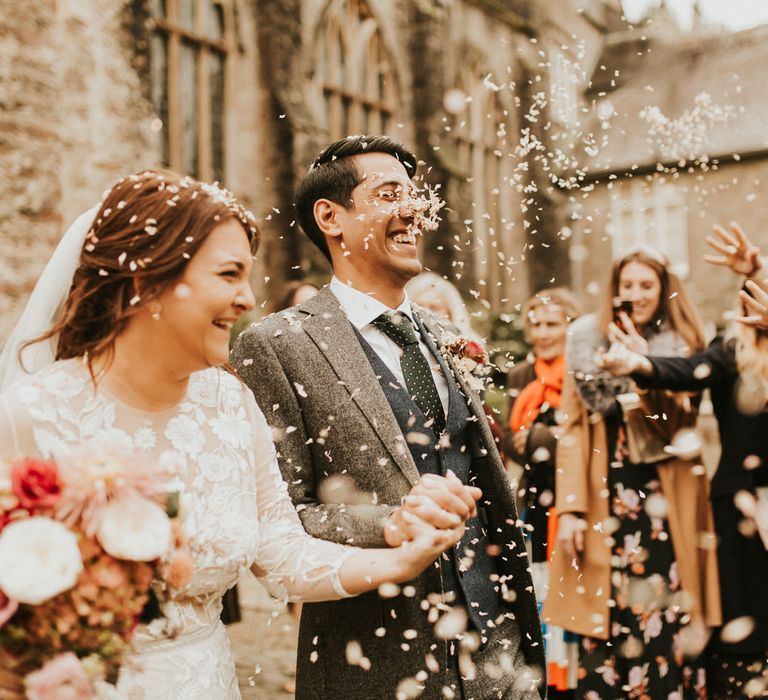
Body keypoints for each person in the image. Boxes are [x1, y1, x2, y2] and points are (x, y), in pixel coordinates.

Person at [0, 169, 471, 699]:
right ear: (146, 282)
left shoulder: (229, 402)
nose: (247, 299)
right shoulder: (26, 416)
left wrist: (399, 557)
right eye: (228, 275)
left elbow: (282, 551)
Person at [231, 135, 545, 699]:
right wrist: (390, 524)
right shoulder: (276, 344)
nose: (415, 210)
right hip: (375, 662)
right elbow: (281, 518)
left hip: (500, 651)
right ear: (331, 217)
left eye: (416, 195)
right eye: (389, 194)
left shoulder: (448, 336)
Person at [543, 245, 722, 699]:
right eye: (628, 286)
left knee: (668, 612)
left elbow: (678, 425)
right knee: (604, 616)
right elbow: (572, 431)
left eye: (647, 285)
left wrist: (646, 368)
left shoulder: (683, 343)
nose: (636, 295)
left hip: (666, 500)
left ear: (664, 290)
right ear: (614, 290)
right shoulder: (586, 339)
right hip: (604, 494)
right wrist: (570, 509)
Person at [598, 222, 768, 698]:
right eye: (753, 291)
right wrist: (642, 364)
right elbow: (689, 373)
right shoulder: (730, 350)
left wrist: (755, 266)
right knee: (743, 623)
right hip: (739, 506)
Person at [506, 288, 582, 699]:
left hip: (575, 496)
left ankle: (576, 678)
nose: (543, 332)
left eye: (552, 323)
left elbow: (585, 439)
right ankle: (550, 678)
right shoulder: (521, 375)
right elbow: (508, 439)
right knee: (541, 591)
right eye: (535, 323)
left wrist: (537, 437)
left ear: (571, 325)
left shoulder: (580, 370)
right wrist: (544, 439)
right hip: (534, 495)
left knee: (574, 588)